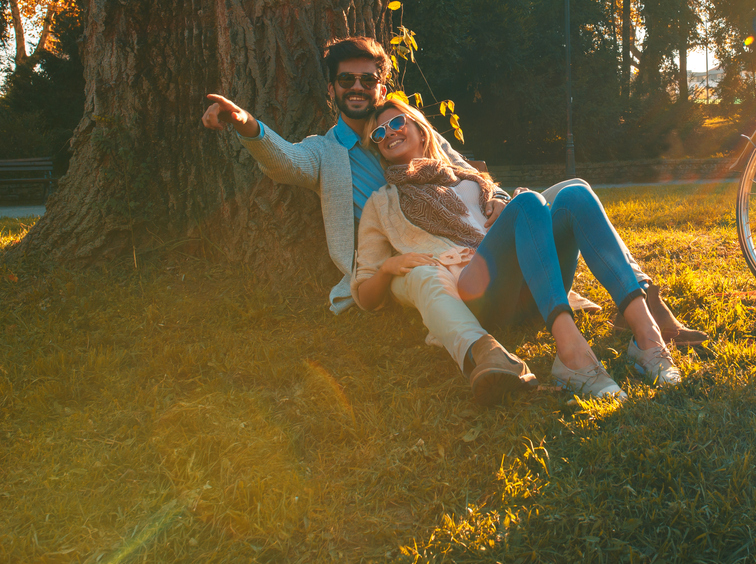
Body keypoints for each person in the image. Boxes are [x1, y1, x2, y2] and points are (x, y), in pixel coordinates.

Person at [202, 37, 535, 404]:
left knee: (559, 197)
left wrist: (500, 199)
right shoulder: (325, 152)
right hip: (401, 263)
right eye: (346, 81)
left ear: (381, 86)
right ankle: (485, 355)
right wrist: (243, 121)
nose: (357, 88)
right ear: (332, 89)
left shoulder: (405, 127)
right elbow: (287, 163)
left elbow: (462, 170)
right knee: (422, 276)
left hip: (455, 245)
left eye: (367, 80)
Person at [353, 98, 680, 399]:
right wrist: (387, 269)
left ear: (420, 130)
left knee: (575, 196)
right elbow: (365, 294)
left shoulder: (471, 178)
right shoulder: (382, 203)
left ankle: (647, 336)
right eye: (379, 134)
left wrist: (501, 198)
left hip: (531, 289)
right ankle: (572, 355)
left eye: (397, 122)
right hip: (475, 290)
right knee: (527, 203)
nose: (388, 134)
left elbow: (518, 216)